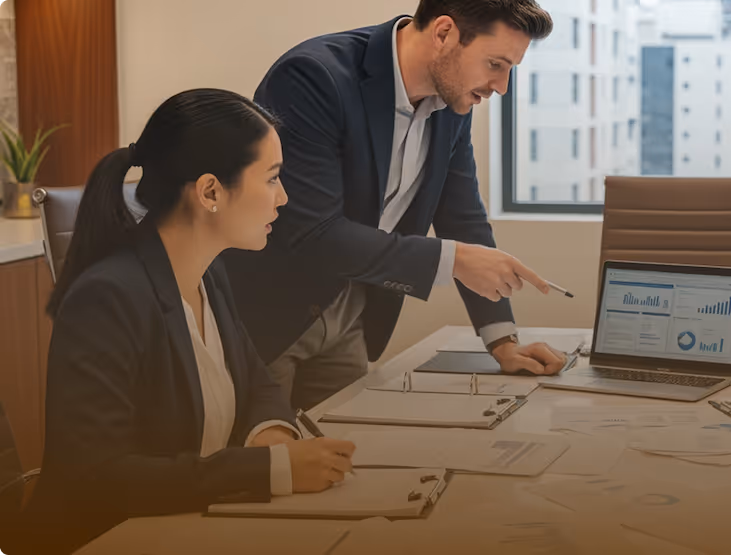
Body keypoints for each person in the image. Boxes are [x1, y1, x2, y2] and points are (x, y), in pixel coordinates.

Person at [24, 89, 356, 554]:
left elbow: (255, 382)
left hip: (191, 527)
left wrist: (274, 437)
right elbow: (96, 478)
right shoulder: (107, 298)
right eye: (272, 179)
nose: (284, 197)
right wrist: (269, 471)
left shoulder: (208, 273)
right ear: (210, 192)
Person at [222, 0, 566, 411]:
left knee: (341, 457)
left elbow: (461, 214)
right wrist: (452, 260)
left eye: (511, 68)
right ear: (444, 34)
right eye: (495, 64)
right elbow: (311, 230)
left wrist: (502, 339)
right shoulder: (314, 77)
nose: (502, 86)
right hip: (270, 315)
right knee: (271, 463)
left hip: (351, 311)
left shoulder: (452, 97)